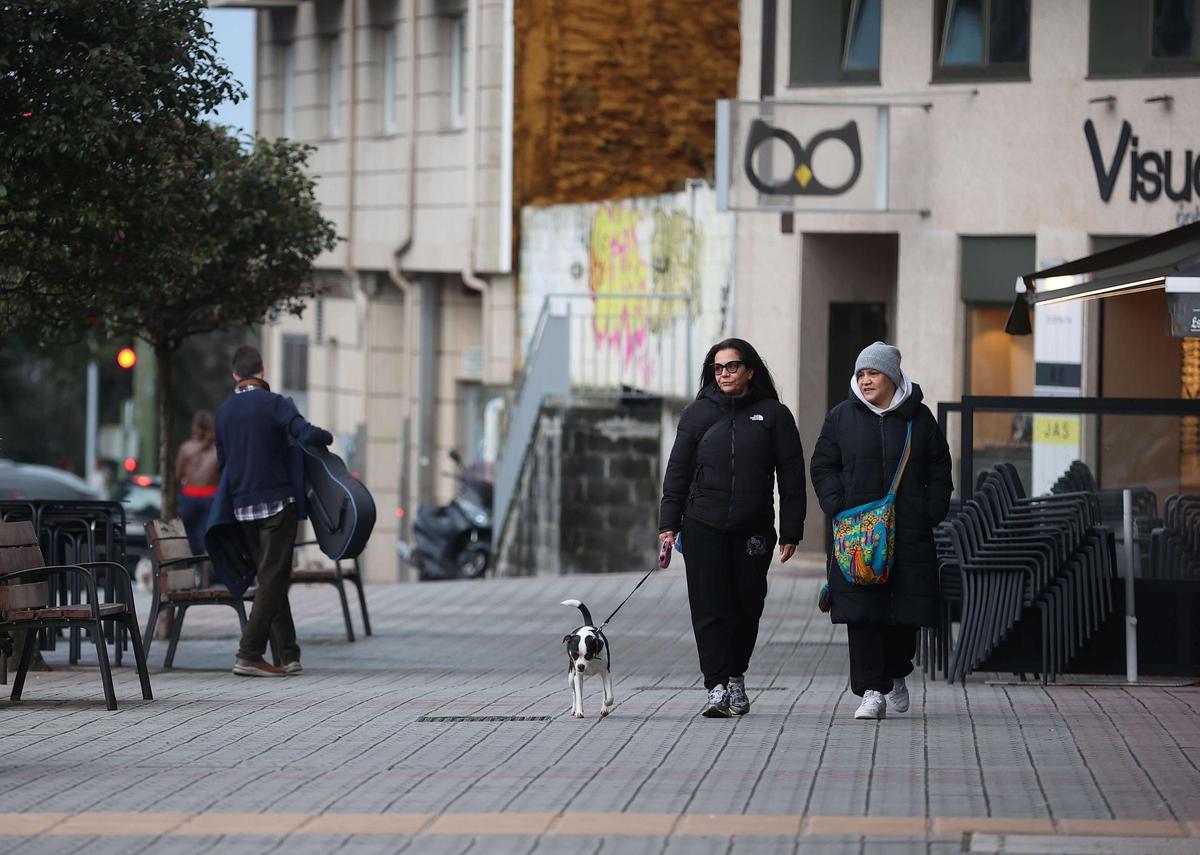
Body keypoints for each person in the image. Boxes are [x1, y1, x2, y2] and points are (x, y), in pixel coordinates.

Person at [658, 338, 806, 718]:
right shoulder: (696, 415)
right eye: (717, 368)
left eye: (732, 366)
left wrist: (792, 530)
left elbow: (792, 476)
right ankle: (717, 686)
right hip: (703, 524)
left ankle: (736, 674)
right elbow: (677, 473)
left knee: (746, 605)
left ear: (750, 370)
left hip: (753, 527)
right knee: (709, 607)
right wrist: (668, 525)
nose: (724, 373)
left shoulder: (774, 416)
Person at [810, 342, 952, 720]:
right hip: (858, 535)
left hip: (908, 535)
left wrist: (929, 512)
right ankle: (871, 691)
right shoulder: (841, 418)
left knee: (904, 617)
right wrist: (837, 504)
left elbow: (940, 469)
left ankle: (897, 671)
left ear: (892, 376)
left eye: (873, 373)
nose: (866, 380)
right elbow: (822, 465)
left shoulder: (919, 420)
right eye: (861, 374)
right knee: (863, 614)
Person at [213, 345, 332, 678]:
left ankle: (288, 653)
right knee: (272, 577)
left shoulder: (223, 413)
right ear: (262, 371)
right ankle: (248, 653)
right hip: (278, 505)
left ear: (236, 375)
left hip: (241, 507)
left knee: (271, 577)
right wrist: (327, 437)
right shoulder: (276, 403)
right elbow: (304, 433)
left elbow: (222, 464)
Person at [176, 410, 219, 555]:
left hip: (189, 496)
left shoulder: (186, 448)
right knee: (207, 542)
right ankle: (205, 576)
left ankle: (191, 573)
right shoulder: (217, 451)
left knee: (187, 542)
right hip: (210, 498)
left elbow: (178, 475)